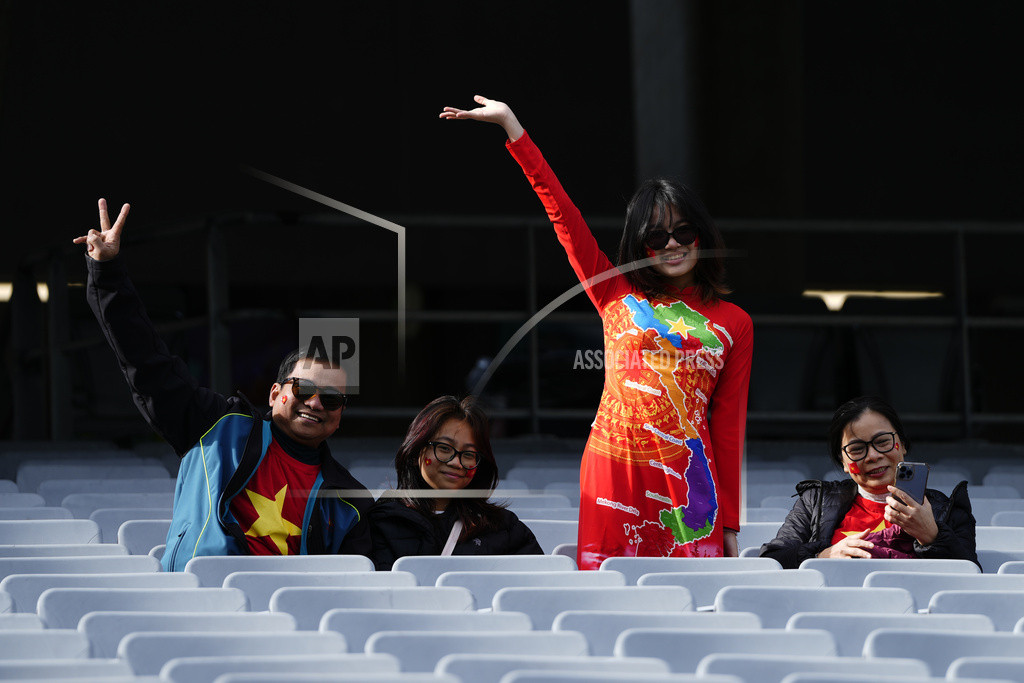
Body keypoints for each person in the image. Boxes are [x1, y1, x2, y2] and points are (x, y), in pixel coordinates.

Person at [440, 96, 753, 569]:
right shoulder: (614, 291)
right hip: (615, 468)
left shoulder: (735, 322)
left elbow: (728, 427)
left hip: (688, 481)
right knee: (608, 589)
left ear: (702, 237)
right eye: (657, 236)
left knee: (690, 593)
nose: (672, 244)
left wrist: (729, 522)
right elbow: (564, 218)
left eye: (684, 232)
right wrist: (513, 129)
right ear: (641, 247)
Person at [74, 199, 372, 571]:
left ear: (340, 416)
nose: (315, 403)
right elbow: (146, 362)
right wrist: (107, 273)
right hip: (197, 593)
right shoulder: (218, 427)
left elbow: (352, 581)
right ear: (275, 394)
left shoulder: (351, 502)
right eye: (303, 389)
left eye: (330, 399)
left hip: (285, 604)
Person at [760, 396, 978, 569]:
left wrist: (931, 536)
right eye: (857, 449)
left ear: (902, 444)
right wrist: (824, 555)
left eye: (882, 442)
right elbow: (773, 560)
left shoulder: (948, 509)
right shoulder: (814, 502)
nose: (873, 456)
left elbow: (969, 575)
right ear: (843, 462)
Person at [369, 395, 542, 570]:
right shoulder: (381, 522)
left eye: (468, 454)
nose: (456, 462)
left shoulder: (503, 527)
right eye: (444, 448)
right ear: (415, 453)